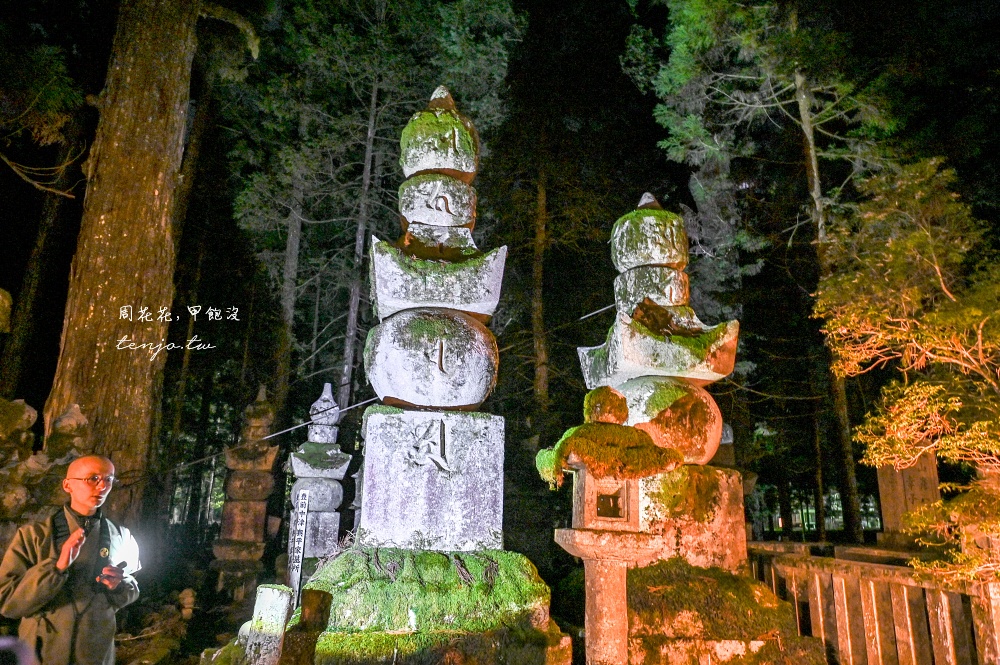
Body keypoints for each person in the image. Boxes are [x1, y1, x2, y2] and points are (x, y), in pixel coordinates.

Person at [0, 455, 140, 665]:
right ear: (67, 485)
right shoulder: (34, 536)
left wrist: (118, 585)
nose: (102, 486)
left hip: (95, 650)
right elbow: (8, 603)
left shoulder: (122, 536)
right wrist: (56, 568)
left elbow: (132, 591)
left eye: (109, 479)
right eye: (92, 478)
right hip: (42, 650)